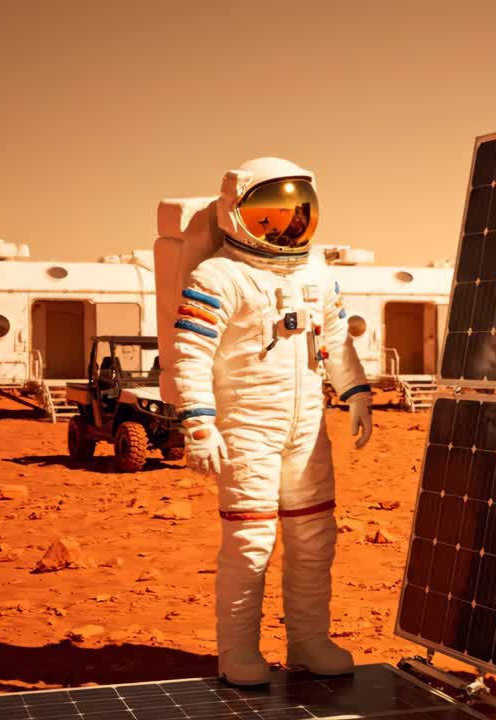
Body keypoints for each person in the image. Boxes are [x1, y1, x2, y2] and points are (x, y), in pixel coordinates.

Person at [169, 157, 374, 685]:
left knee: (314, 535)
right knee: (251, 539)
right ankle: (238, 650)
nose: (284, 225)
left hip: (307, 427)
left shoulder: (316, 273)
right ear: (234, 214)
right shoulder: (218, 275)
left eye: (295, 212)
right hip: (246, 426)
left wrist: (356, 393)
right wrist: (199, 422)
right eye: (269, 214)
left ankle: (308, 641)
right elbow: (190, 352)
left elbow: (335, 341)